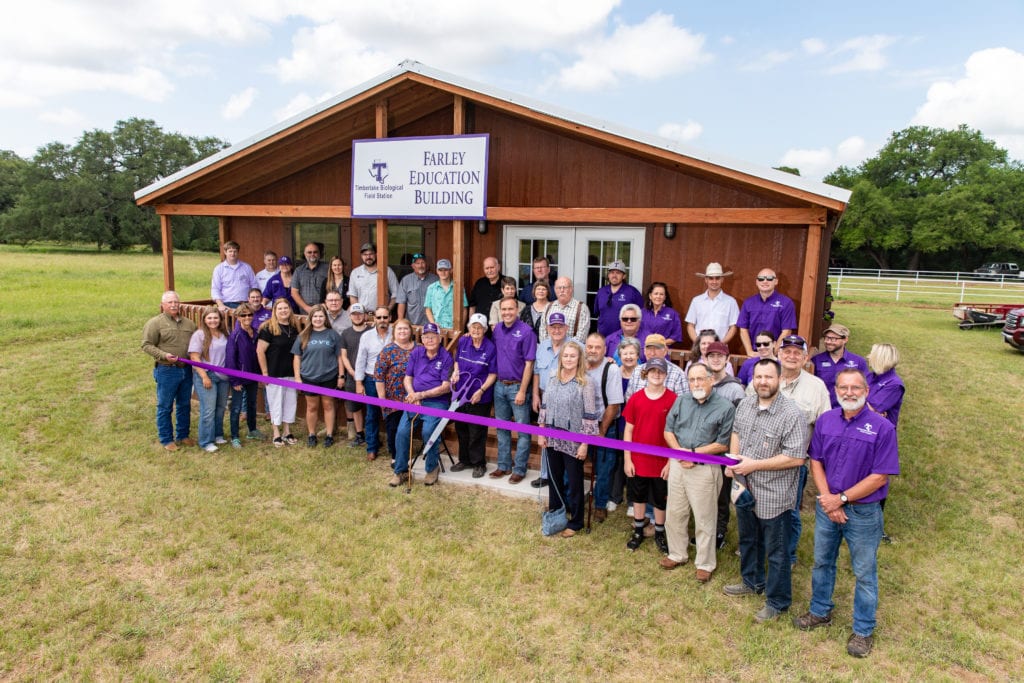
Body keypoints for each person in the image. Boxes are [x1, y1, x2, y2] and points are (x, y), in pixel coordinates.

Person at [793, 368, 900, 659]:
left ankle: (863, 630)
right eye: (843, 387)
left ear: (866, 391)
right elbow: (815, 460)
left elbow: (880, 476)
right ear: (836, 390)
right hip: (828, 506)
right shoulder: (826, 420)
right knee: (821, 562)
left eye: (855, 387)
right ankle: (819, 612)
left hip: (863, 513)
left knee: (864, 573)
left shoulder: (882, 428)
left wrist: (840, 499)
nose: (849, 392)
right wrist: (829, 500)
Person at [723, 359, 807, 623]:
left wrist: (753, 465)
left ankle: (778, 601)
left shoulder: (792, 414)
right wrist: (734, 460)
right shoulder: (746, 404)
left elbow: (796, 458)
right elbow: (736, 432)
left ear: (780, 380)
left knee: (777, 551)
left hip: (775, 494)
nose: (762, 382)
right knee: (748, 539)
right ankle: (751, 581)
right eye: (758, 377)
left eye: (768, 377)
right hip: (745, 488)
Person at [755, 335, 831, 566]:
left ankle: (786, 555)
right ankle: (759, 549)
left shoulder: (816, 387)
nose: (791, 356)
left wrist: (816, 459)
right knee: (757, 506)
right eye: (787, 351)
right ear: (778, 354)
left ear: (805, 357)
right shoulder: (765, 379)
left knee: (789, 511)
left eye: (797, 353)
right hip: (759, 460)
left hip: (792, 463)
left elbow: (824, 427)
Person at [661, 362, 736, 582]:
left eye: (700, 379)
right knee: (675, 512)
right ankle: (677, 553)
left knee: (705, 517)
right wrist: (680, 453)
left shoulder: (725, 407)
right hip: (678, 463)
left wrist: (693, 453)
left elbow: (723, 444)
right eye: (692, 380)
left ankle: (705, 563)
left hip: (704, 468)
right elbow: (668, 431)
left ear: (711, 379)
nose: (696, 383)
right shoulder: (681, 401)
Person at [538, 341, 599, 538]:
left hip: (574, 440)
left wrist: (585, 443)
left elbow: (590, 415)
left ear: (579, 358)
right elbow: (545, 405)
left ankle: (576, 521)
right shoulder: (553, 378)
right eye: (566, 356)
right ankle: (557, 513)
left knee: (574, 482)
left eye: (573, 356)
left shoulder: (586, 383)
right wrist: (541, 431)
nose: (569, 359)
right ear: (561, 358)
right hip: (552, 437)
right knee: (554, 479)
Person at [622, 357, 676, 553]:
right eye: (653, 371)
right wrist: (627, 458)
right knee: (638, 495)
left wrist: (671, 462)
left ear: (666, 374)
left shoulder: (673, 399)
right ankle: (638, 529)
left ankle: (660, 532)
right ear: (646, 373)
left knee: (660, 498)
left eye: (660, 371)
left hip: (662, 462)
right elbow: (628, 430)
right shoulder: (636, 398)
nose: (656, 374)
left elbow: (675, 433)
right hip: (638, 459)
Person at [392, 322, 454, 487]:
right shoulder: (417, 352)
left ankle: (432, 468)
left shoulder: (446, 356)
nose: (429, 340)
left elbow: (445, 387)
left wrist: (422, 394)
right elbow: (407, 378)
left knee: (428, 431)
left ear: (439, 338)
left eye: (433, 337)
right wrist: (412, 394)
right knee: (402, 432)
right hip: (415, 399)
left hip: (437, 402)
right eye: (426, 337)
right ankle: (401, 471)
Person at [141, 291, 197, 451]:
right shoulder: (155, 323)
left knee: (184, 404)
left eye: (176, 302)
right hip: (167, 370)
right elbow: (146, 345)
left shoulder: (189, 324)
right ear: (163, 305)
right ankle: (166, 439)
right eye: (169, 302)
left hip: (186, 370)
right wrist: (164, 355)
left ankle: (183, 435)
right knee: (165, 406)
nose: (173, 305)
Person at [490, 298, 536, 483]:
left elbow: (529, 363)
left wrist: (523, 390)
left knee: (523, 431)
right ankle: (503, 465)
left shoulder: (527, 332)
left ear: (517, 309)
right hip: (499, 386)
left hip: (517, 387)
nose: (507, 312)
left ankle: (519, 469)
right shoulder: (497, 330)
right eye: (504, 309)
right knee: (502, 428)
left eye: (510, 309)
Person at [451, 313, 497, 478]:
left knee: (477, 431)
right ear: (469, 328)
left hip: (480, 396)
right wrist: (455, 372)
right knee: (461, 428)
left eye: (479, 327)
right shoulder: (463, 341)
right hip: (460, 393)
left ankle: (479, 463)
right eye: (473, 327)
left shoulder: (490, 348)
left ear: (484, 329)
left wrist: (481, 390)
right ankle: (464, 460)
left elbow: (493, 374)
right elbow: (457, 361)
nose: (476, 330)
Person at [291, 304, 344, 448]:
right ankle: (312, 434)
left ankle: (329, 435)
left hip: (328, 376)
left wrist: (341, 375)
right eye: (315, 316)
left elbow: (340, 357)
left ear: (325, 318)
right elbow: (297, 357)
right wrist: (297, 377)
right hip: (309, 377)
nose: (318, 319)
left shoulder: (332, 334)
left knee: (328, 405)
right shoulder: (303, 335)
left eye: (321, 316)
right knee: (312, 407)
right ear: (311, 318)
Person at [585, 333, 624, 522]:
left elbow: (614, 404)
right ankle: (571, 501)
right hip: (582, 425)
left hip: (605, 426)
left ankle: (600, 505)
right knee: (574, 465)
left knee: (604, 468)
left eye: (597, 347)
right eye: (590, 346)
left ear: (605, 350)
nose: (593, 350)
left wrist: (601, 431)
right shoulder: (579, 366)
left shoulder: (611, 370)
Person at [531, 311, 570, 489]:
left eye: (560, 327)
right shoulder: (542, 346)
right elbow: (537, 372)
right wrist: (535, 395)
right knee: (545, 435)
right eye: (553, 327)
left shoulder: (575, 346)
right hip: (545, 397)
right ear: (547, 329)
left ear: (566, 328)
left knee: (563, 438)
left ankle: (563, 476)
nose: (556, 330)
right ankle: (546, 475)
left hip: (566, 398)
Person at [257, 298, 300, 447]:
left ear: (290, 310)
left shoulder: (294, 328)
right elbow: (260, 351)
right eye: (280, 308)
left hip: (291, 372)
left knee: (290, 402)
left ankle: (287, 431)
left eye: (286, 308)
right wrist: (264, 373)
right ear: (275, 311)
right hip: (274, 372)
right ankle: (276, 433)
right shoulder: (268, 328)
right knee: (276, 403)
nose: (283, 311)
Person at [374, 318, 417, 464]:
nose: (403, 331)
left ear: (410, 331)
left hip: (413, 395)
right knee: (394, 427)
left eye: (405, 328)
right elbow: (379, 375)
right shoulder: (388, 350)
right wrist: (382, 398)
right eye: (399, 329)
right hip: (393, 397)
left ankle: (407, 454)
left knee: (407, 428)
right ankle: (395, 457)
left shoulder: (419, 349)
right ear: (394, 332)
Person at [188, 306, 230, 452]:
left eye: (215, 318)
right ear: (204, 320)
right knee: (208, 410)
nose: (213, 320)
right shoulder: (199, 335)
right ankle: (206, 441)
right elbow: (194, 357)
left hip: (223, 376)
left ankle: (218, 434)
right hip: (207, 375)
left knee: (220, 408)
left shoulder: (224, 333)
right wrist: (204, 376)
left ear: (220, 319)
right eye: (210, 318)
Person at [354, 306, 393, 460]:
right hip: (371, 379)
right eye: (379, 317)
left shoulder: (396, 334)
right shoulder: (366, 337)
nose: (382, 320)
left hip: (391, 380)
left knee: (392, 414)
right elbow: (360, 360)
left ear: (390, 318)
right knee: (372, 414)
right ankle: (372, 447)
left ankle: (393, 446)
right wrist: (359, 382)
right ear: (374, 319)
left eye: (385, 317)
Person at [225, 303, 263, 448]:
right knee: (236, 407)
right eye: (243, 315)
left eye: (249, 315)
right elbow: (230, 359)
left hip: (252, 377)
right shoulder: (235, 335)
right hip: (239, 378)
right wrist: (234, 381)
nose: (247, 317)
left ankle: (252, 430)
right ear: (238, 317)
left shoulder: (255, 332)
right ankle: (235, 436)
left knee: (252, 405)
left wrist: (259, 375)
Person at [737, 268, 797, 355]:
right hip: (754, 353)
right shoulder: (748, 303)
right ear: (757, 282)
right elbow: (743, 329)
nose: (765, 281)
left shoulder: (786, 303)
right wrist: (749, 351)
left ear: (776, 281)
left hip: (776, 354)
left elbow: (787, 331)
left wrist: (773, 353)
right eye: (761, 279)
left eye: (769, 278)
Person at [811, 323, 868, 408]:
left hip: (849, 411)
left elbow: (866, 387)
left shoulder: (859, 362)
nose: (828, 342)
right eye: (827, 338)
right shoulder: (816, 360)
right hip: (823, 410)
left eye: (833, 339)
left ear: (845, 339)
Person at [685, 262, 739, 345]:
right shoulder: (696, 301)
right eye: (711, 278)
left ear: (722, 280)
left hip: (721, 348)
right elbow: (690, 325)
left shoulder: (731, 302)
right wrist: (699, 343)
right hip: (699, 348)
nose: (714, 281)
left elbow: (733, 327)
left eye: (717, 278)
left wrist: (721, 344)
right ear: (706, 280)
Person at [339, 303, 370, 444]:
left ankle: (371, 435)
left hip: (369, 375)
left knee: (371, 407)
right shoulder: (345, 333)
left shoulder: (372, 332)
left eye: (359, 314)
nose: (357, 316)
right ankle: (359, 434)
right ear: (350, 316)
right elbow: (343, 356)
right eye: (354, 314)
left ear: (364, 315)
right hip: (352, 376)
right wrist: (351, 372)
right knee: (355, 407)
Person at [625, 334, 687, 399]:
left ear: (665, 351)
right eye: (649, 349)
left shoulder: (677, 374)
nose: (652, 353)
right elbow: (629, 399)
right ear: (644, 351)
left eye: (657, 348)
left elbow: (683, 403)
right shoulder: (637, 371)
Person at [595, 259, 644, 337]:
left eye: (618, 273)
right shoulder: (601, 292)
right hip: (603, 337)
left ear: (624, 276)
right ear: (608, 275)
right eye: (612, 272)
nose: (614, 275)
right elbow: (597, 313)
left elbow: (641, 315)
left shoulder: (632, 292)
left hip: (625, 337)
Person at [348, 243, 399, 311]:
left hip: (381, 317)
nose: (368, 257)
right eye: (365, 254)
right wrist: (358, 312)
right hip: (361, 316)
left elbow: (396, 294)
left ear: (376, 254)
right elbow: (353, 296)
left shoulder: (387, 271)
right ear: (361, 256)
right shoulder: (355, 273)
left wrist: (387, 311)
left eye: (371, 254)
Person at [540, 276, 590, 344]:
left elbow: (581, 337)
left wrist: (564, 350)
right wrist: (552, 348)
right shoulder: (548, 307)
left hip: (571, 352)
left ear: (571, 289)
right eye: (559, 288)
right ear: (555, 290)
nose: (562, 290)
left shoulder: (581, 308)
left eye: (565, 287)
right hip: (550, 351)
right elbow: (543, 333)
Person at [211, 240, 258, 313]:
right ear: (225, 252)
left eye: (235, 251)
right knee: (230, 324)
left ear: (238, 252)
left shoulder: (247, 267)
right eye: (230, 251)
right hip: (227, 305)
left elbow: (254, 285)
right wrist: (220, 305)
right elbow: (215, 289)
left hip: (245, 304)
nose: (233, 253)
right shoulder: (219, 269)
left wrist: (254, 301)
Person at [866, 343, 905, 427]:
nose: (868, 357)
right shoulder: (869, 376)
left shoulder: (894, 384)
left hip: (879, 434)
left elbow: (871, 410)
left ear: (880, 358)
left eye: (872, 355)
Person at [423, 258, 467, 329]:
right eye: (440, 270)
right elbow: (428, 309)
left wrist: (461, 327)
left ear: (451, 270)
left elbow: (464, 309)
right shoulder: (431, 288)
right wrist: (433, 324)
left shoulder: (459, 288)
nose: (443, 272)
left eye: (446, 270)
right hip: (437, 329)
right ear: (437, 271)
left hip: (454, 329)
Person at [396, 252, 437, 325]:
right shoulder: (406, 280)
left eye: (423, 262)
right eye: (417, 263)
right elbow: (401, 302)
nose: (420, 265)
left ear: (426, 264)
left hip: (432, 324)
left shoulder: (435, 280)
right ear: (413, 266)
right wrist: (400, 321)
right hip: (412, 324)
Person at [291, 242, 329, 313]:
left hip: (324, 311)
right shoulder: (298, 271)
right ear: (305, 254)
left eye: (315, 252)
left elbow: (333, 289)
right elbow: (294, 292)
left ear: (319, 254)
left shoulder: (327, 269)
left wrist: (326, 305)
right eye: (309, 252)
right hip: (305, 312)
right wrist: (306, 307)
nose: (312, 254)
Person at [644, 281, 683, 347]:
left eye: (661, 294)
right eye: (656, 294)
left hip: (663, 349)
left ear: (665, 297)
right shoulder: (642, 312)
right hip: (644, 349)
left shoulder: (672, 314)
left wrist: (659, 343)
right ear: (650, 296)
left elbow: (676, 336)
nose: (658, 296)